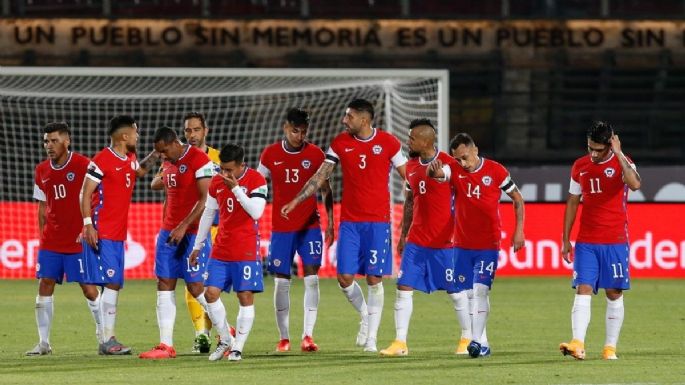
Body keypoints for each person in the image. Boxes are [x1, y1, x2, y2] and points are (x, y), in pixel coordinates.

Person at [282, 98, 407, 353]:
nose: (344, 120)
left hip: (378, 223)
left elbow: (409, 176)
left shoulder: (389, 143)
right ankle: (365, 315)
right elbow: (320, 176)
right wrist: (296, 200)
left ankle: (371, 338)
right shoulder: (340, 143)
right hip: (349, 222)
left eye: (349, 116)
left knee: (374, 278)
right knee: (344, 277)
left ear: (364, 119)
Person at [428, 132, 525, 358]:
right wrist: (433, 171)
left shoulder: (496, 171)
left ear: (475, 150)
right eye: (458, 159)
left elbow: (518, 199)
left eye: (465, 157)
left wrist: (519, 231)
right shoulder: (455, 168)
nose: (462, 163)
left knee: (481, 290)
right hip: (462, 243)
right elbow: (439, 173)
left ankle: (474, 341)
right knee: (470, 294)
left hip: (488, 244)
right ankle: (483, 342)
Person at [379, 119, 471, 356]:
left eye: (411, 138)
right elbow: (410, 202)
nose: (408, 142)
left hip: (446, 242)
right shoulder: (410, 166)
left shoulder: (451, 164)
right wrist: (403, 235)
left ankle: (466, 337)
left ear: (425, 141)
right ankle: (400, 343)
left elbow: (464, 198)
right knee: (403, 286)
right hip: (417, 240)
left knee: (455, 291)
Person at [559, 121, 641, 361]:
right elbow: (573, 201)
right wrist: (566, 239)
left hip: (615, 240)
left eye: (599, 149)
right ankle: (578, 343)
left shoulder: (622, 162)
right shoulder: (580, 166)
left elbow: (635, 184)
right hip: (587, 241)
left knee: (613, 293)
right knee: (583, 288)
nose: (593, 154)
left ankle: (609, 348)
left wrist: (618, 153)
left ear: (610, 145)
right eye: (589, 148)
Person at [257, 108, 334, 353]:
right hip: (281, 227)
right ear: (285, 127)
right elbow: (258, 186)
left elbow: (326, 190)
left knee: (312, 277)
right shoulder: (270, 154)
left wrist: (331, 222)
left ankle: (308, 336)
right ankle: (284, 338)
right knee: (282, 281)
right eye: (294, 131)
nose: (298, 136)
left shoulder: (315, 154)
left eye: (303, 132)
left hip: (310, 225)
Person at [80, 115, 158, 355]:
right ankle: (107, 339)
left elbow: (140, 171)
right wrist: (88, 225)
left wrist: (156, 154)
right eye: (135, 132)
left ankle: (107, 339)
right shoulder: (101, 160)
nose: (138, 135)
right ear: (125, 136)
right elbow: (85, 193)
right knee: (111, 283)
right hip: (102, 230)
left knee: (112, 285)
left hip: (117, 233)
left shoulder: (130, 158)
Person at [138, 126, 215, 359]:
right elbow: (158, 186)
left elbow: (206, 199)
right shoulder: (168, 162)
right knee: (164, 283)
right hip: (168, 232)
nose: (162, 156)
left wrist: (183, 225)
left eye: (163, 151)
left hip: (192, 233)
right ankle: (166, 345)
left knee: (195, 287)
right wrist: (170, 225)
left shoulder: (199, 159)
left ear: (173, 143)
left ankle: (225, 331)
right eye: (159, 153)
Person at [26, 122, 102, 356]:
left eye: (54, 140)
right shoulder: (41, 170)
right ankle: (44, 343)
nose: (49, 145)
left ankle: (104, 337)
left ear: (67, 141)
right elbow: (42, 208)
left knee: (89, 289)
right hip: (52, 242)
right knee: (44, 285)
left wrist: (89, 226)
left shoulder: (83, 165)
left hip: (78, 240)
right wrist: (42, 240)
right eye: (46, 141)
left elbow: (98, 198)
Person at [190, 143, 268, 361]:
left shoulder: (256, 180)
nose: (224, 174)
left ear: (242, 165)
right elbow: (208, 213)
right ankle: (226, 339)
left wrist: (235, 188)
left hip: (246, 249)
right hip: (221, 248)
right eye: (222, 169)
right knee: (210, 293)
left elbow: (256, 212)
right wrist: (197, 245)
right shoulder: (216, 181)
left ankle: (238, 348)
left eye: (229, 170)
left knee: (244, 296)